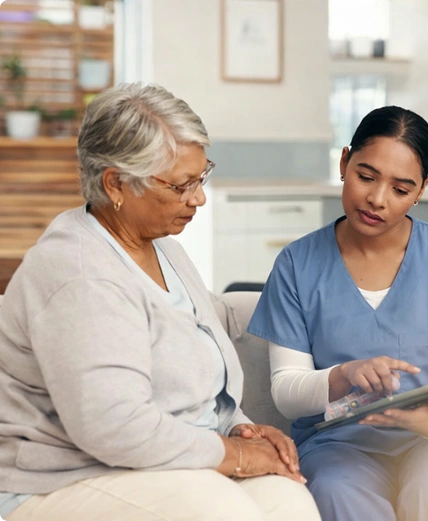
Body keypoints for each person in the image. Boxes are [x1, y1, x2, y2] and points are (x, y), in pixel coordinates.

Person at [0, 82, 321, 521]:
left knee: (290, 503)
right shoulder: (78, 274)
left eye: (201, 176)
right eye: (181, 185)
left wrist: (235, 426)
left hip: (166, 458)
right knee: (228, 513)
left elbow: (199, 359)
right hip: (63, 477)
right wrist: (234, 455)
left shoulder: (160, 245)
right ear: (116, 183)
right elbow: (113, 428)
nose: (199, 198)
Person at [247, 105, 428, 521]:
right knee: (339, 494)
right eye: (366, 176)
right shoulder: (297, 265)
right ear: (345, 161)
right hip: (340, 445)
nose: (377, 199)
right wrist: (342, 375)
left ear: (421, 191)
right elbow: (287, 392)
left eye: (401, 190)